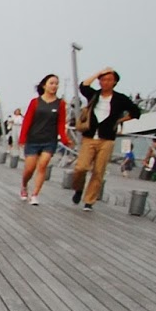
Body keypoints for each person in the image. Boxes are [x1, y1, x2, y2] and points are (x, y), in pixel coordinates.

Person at [71, 67, 142, 211]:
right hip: (89, 137)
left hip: (107, 139)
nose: (106, 82)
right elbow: (83, 86)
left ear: (115, 82)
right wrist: (99, 73)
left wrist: (120, 120)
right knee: (81, 167)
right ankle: (78, 189)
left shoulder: (120, 99)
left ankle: (89, 201)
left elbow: (136, 112)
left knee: (98, 171)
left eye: (109, 79)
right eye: (103, 79)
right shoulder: (94, 95)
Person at [18, 74, 71, 204]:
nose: (54, 86)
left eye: (56, 83)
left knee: (42, 166)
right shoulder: (35, 102)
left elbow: (61, 123)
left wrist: (65, 139)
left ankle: (35, 194)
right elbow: (27, 121)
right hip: (33, 139)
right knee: (29, 169)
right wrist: (22, 138)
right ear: (44, 85)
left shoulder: (60, 104)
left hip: (49, 140)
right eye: (51, 83)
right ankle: (24, 186)